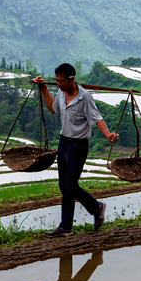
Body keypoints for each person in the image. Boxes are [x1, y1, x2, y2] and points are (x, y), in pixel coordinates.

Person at [31, 63, 118, 236]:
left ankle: (97, 207)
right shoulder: (60, 92)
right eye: (56, 81)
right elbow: (52, 108)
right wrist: (44, 88)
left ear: (72, 79)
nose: (59, 84)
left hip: (78, 145)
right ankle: (65, 227)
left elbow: (97, 118)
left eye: (61, 81)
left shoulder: (85, 97)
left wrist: (108, 135)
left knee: (70, 186)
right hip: (64, 142)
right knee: (64, 186)